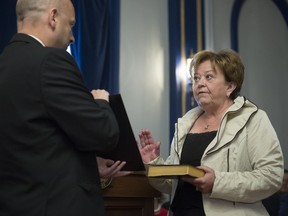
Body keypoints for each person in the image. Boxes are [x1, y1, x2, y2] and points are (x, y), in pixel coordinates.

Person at [0, 0, 131, 215]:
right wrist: (100, 101)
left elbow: (34, 143)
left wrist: (88, 164)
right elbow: (104, 135)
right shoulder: (51, 61)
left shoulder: (5, 63)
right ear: (53, 17)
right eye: (70, 24)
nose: (72, 37)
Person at [138, 49, 284, 216]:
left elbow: (271, 177)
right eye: (196, 78)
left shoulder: (253, 118)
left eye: (208, 77)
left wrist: (217, 182)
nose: (199, 83)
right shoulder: (185, 123)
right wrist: (154, 164)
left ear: (230, 86)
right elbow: (172, 184)